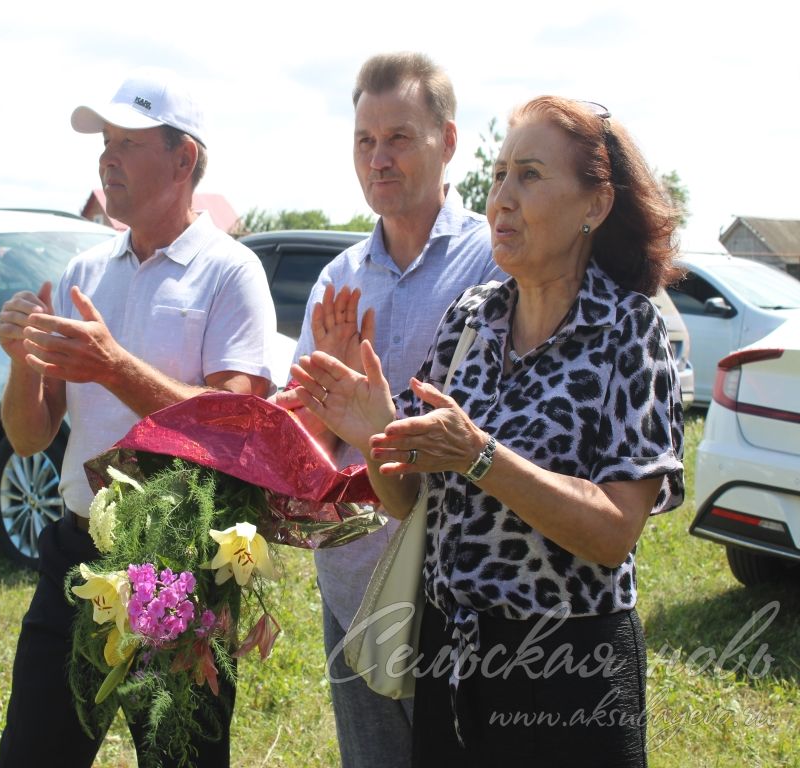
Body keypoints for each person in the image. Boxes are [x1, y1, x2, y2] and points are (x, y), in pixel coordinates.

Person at [292, 96, 685, 767]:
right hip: (449, 656)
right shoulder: (473, 318)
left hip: (566, 672)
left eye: (528, 175)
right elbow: (411, 502)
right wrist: (375, 437)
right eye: (498, 174)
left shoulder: (631, 331)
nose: (499, 198)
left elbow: (614, 532)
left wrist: (480, 456)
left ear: (595, 204)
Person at [0, 68, 277, 768]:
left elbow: (236, 427)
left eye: (128, 141)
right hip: (78, 551)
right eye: (105, 142)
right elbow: (30, 435)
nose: (106, 158)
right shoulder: (84, 272)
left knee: (180, 758)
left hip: (181, 565)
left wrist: (114, 365)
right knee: (33, 753)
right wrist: (21, 359)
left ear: (184, 159)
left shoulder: (230, 273)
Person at [276, 52, 505, 768]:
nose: (378, 158)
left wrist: (378, 414)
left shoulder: (494, 260)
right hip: (353, 580)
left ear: (450, 142)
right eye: (364, 141)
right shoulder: (338, 280)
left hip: (461, 587)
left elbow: (501, 415)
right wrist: (332, 386)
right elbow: (297, 446)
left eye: (399, 137)